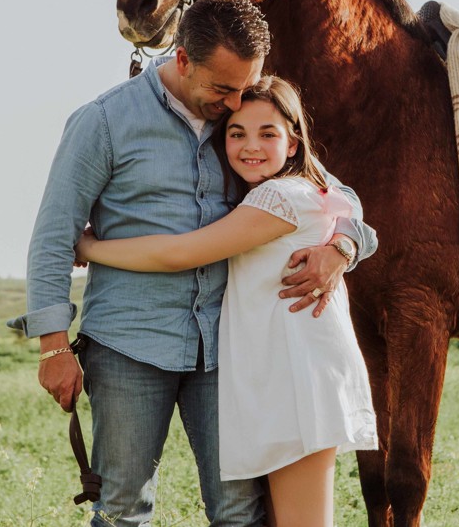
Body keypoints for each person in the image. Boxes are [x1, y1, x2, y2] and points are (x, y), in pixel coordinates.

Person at [7, 0, 377, 527]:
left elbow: (337, 197)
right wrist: (52, 346)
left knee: (239, 511)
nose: (234, 104)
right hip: (128, 344)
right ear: (182, 59)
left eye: (244, 88)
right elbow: (51, 236)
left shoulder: (248, 125)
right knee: (124, 510)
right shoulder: (104, 122)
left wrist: (342, 248)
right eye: (222, 89)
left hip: (226, 351)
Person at [75, 76, 378, 526]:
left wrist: (88, 249)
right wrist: (343, 243)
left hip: (296, 381)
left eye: (268, 134)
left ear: (294, 144)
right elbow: (348, 208)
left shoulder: (279, 196)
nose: (250, 146)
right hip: (280, 378)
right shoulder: (283, 191)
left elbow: (177, 253)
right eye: (237, 133)